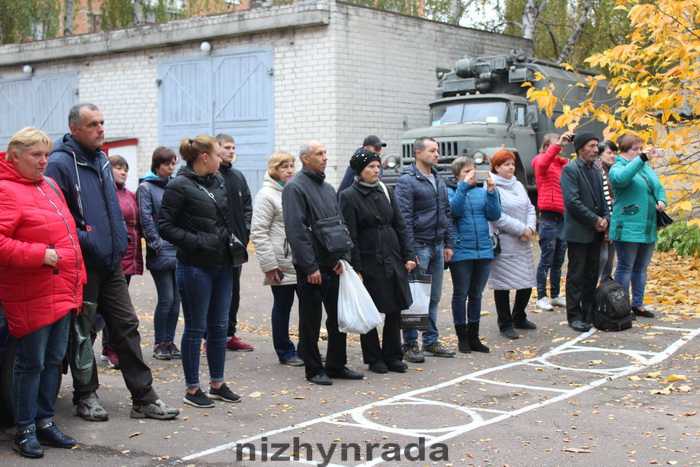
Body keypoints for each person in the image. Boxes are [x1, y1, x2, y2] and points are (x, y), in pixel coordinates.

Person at [45, 103, 178, 422]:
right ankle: (86, 396)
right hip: (83, 264)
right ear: (75, 129)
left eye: (102, 123)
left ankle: (144, 399)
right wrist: (87, 241)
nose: (101, 129)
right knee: (84, 333)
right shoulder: (61, 164)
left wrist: (118, 240)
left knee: (127, 326)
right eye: (93, 124)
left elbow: (113, 209)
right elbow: (56, 217)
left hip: (111, 263)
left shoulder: (103, 160)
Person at [0, 127, 86, 458]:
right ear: (14, 156)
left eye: (47, 154)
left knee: (53, 360)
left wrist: (77, 276)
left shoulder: (48, 185)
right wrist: (41, 255)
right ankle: (24, 430)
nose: (44, 161)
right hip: (31, 290)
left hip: (62, 286)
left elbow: (68, 235)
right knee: (31, 362)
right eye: (36, 155)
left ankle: (45, 422)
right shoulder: (6, 190)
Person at [159, 135, 241, 408]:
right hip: (194, 266)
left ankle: (217, 383)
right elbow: (165, 226)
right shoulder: (179, 185)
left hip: (223, 264)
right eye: (218, 154)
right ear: (204, 157)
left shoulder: (218, 181)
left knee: (219, 327)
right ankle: (192, 389)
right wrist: (199, 241)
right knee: (196, 328)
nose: (222, 158)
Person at [282, 140, 364, 385]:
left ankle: (336, 364)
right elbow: (296, 230)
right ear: (306, 159)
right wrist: (309, 267)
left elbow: (340, 225)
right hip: (313, 266)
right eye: (319, 153)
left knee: (337, 317)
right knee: (311, 319)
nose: (325, 157)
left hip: (334, 262)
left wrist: (344, 257)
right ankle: (313, 368)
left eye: (325, 153)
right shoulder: (294, 187)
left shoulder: (327, 188)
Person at [339, 149, 417, 374]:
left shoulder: (386, 190)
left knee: (395, 306)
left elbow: (400, 224)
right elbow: (350, 234)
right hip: (368, 256)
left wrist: (408, 254)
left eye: (377, 166)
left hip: (391, 254)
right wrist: (356, 268)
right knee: (370, 307)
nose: (376, 170)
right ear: (359, 171)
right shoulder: (348, 195)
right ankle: (374, 358)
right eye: (371, 167)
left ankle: (393, 355)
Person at [394, 137, 455, 362]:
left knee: (434, 297)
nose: (437, 154)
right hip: (419, 246)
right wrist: (410, 252)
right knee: (415, 297)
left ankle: (430, 342)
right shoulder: (407, 181)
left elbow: (446, 213)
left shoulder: (439, 178)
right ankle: (409, 344)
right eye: (432, 151)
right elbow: (404, 220)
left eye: (437, 151)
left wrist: (448, 243)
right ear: (418, 153)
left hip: (437, 245)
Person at [249, 152, 303, 366]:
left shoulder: (295, 190)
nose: (290, 170)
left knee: (308, 307)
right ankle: (285, 351)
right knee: (283, 306)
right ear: (274, 170)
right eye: (284, 167)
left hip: (301, 261)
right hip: (280, 262)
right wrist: (270, 265)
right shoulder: (266, 195)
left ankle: (306, 349)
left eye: (292, 166)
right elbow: (259, 232)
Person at [446, 156, 501, 353]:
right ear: (457, 174)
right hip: (461, 250)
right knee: (460, 294)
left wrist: (493, 193)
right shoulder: (451, 191)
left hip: (484, 250)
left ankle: (474, 337)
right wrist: (462, 187)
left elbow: (494, 215)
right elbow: (453, 211)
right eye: (466, 171)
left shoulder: (482, 191)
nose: (472, 174)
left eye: (473, 170)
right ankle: (462, 338)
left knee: (476, 295)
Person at [609, 134, 667, 319]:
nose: (640, 152)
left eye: (641, 148)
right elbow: (622, 180)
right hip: (627, 226)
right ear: (624, 151)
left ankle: (638, 304)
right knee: (626, 266)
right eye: (635, 149)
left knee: (641, 267)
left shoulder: (646, 168)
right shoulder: (617, 167)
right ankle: (622, 305)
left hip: (647, 226)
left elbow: (658, 187)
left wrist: (662, 200)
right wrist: (641, 159)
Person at [559, 132, 610, 332]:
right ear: (580, 149)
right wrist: (595, 220)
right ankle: (574, 316)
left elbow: (604, 198)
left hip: (596, 232)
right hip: (579, 233)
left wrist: (606, 219)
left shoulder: (595, 170)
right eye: (592, 146)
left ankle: (588, 313)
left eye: (597, 146)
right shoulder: (571, 170)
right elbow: (572, 202)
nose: (596, 150)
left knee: (591, 274)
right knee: (576, 275)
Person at [99, 155, 143, 369]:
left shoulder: (128, 193)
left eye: (125, 168)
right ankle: (109, 347)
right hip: (116, 256)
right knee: (113, 307)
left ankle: (112, 346)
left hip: (130, 255)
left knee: (118, 306)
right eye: (118, 168)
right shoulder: (107, 193)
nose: (123, 172)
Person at [487, 150, 537, 340]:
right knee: (503, 286)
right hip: (505, 241)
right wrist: (520, 230)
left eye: (512, 164)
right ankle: (505, 323)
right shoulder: (491, 186)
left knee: (526, 282)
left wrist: (530, 229)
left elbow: (530, 208)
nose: (511, 167)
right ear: (496, 167)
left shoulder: (517, 184)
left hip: (523, 241)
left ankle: (519, 316)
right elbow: (496, 216)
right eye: (506, 164)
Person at [137, 147, 181, 360]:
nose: (170, 168)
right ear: (157, 165)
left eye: (173, 164)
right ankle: (159, 343)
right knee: (166, 298)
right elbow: (146, 217)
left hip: (178, 250)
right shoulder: (146, 187)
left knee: (177, 299)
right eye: (167, 164)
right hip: (161, 251)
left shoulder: (174, 185)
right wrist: (156, 243)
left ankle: (170, 341)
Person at [216, 134, 254, 352]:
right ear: (216, 149)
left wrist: (245, 232)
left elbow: (247, 205)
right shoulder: (210, 176)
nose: (231, 151)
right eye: (227, 147)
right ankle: (209, 338)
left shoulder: (238, 176)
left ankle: (230, 335)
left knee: (234, 292)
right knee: (215, 293)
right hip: (215, 247)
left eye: (233, 147)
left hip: (237, 247)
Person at [531, 132, 574, 311]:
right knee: (546, 259)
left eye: (562, 144)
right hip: (549, 217)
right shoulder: (541, 160)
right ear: (547, 145)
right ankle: (541, 296)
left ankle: (555, 294)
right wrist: (557, 145)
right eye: (556, 143)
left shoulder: (563, 165)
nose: (561, 146)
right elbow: (542, 163)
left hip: (563, 217)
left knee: (559, 260)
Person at [595, 140, 618, 279]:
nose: (613, 156)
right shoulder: (598, 169)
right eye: (609, 153)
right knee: (602, 257)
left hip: (615, 217)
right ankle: (592, 289)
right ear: (600, 154)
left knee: (610, 259)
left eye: (614, 152)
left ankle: (606, 291)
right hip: (604, 217)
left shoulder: (615, 168)